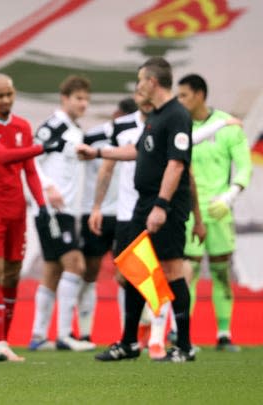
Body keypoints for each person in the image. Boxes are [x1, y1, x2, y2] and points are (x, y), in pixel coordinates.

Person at [78, 57, 196, 362]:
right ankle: (129, 342)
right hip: (144, 205)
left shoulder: (177, 115)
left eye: (140, 80)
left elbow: (177, 163)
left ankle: (183, 345)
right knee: (131, 269)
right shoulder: (155, 116)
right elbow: (136, 151)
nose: (138, 85)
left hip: (164, 206)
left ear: (152, 82)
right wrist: (98, 152)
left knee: (171, 269)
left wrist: (161, 205)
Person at [0, 73, 52, 361]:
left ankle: (4, 340)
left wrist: (41, 203)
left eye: (10, 94)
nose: (6, 100)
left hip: (17, 209)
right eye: (0, 95)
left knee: (12, 275)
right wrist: (45, 146)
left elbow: (29, 168)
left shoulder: (22, 126)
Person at [177, 74, 252, 352]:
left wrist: (230, 196)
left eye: (184, 95)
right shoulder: (179, 126)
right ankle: (184, 335)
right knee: (189, 271)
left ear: (199, 95)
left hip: (218, 211)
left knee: (221, 272)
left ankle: (224, 334)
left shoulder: (229, 127)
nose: (180, 101)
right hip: (189, 211)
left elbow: (244, 166)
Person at [30, 75, 96, 352]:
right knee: (75, 265)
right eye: (79, 98)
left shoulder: (75, 129)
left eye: (86, 99)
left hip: (67, 211)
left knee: (53, 270)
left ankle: (37, 336)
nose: (83, 104)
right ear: (65, 98)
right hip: (52, 209)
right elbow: (31, 158)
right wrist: (49, 188)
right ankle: (65, 335)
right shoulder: (54, 126)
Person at [73, 98, 137, 346]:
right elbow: (77, 162)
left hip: (126, 213)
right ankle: (85, 333)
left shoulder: (140, 137)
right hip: (96, 212)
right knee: (90, 272)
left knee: (126, 275)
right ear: (115, 114)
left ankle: (127, 334)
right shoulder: (92, 137)